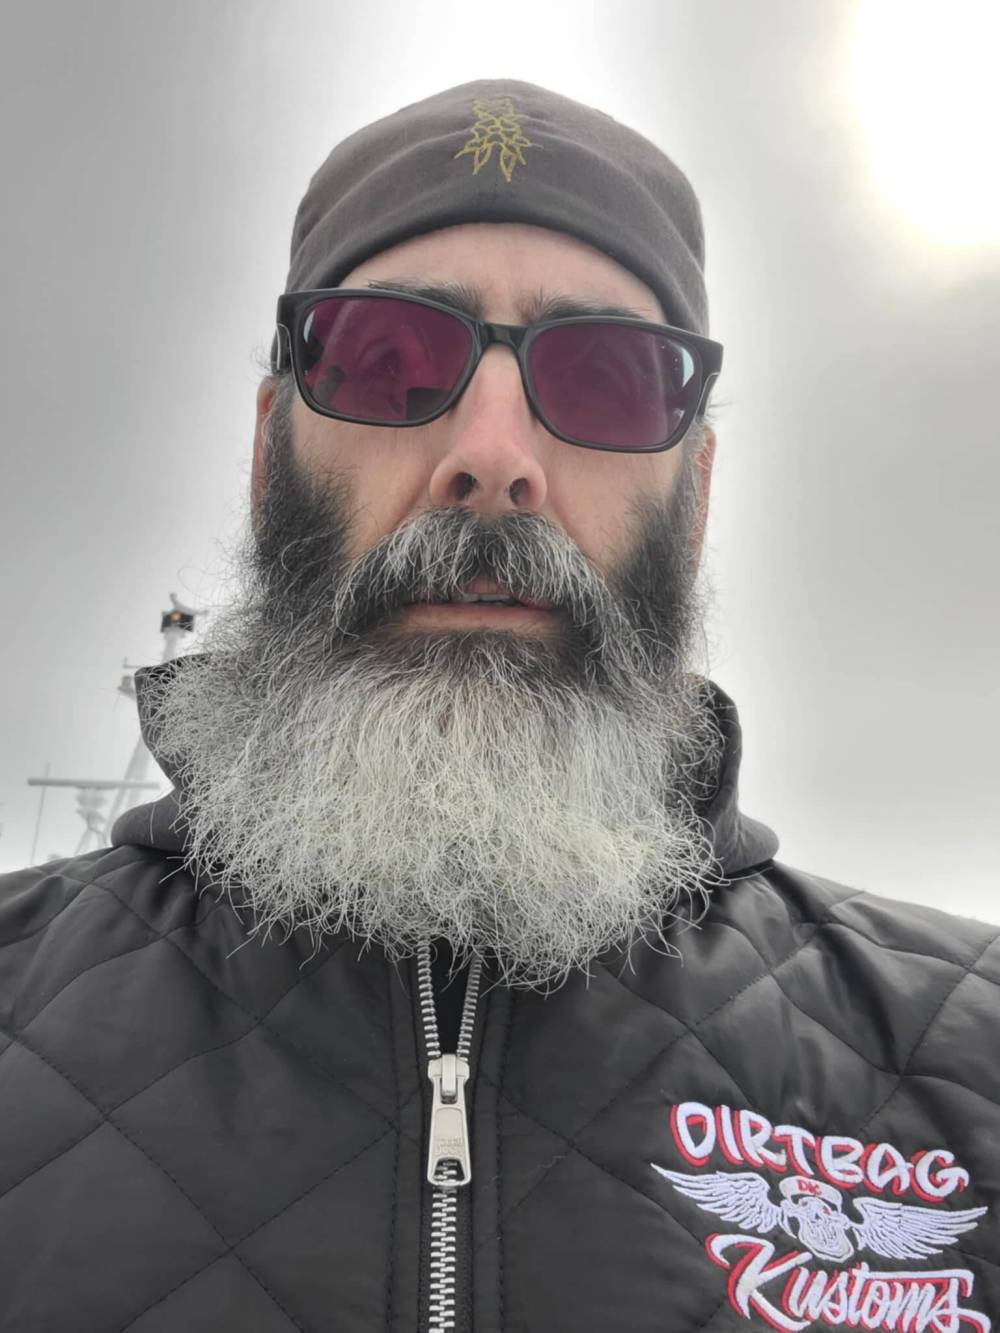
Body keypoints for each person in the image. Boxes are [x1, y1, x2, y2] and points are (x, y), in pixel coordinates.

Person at [1, 79, 996, 1333]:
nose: (492, 455)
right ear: (268, 455)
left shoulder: (969, 1053)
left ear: (692, 498)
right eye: (386, 361)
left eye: (609, 379)